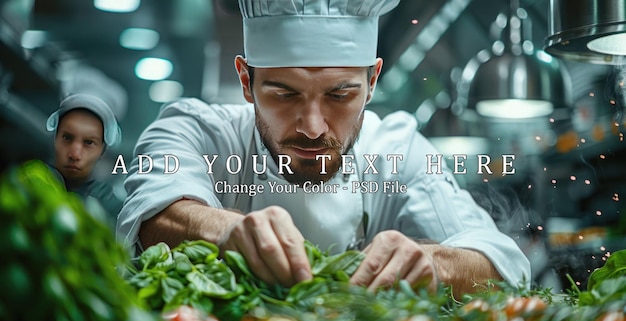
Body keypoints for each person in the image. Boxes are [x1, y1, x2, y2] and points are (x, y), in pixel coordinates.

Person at [117, 0, 531, 295]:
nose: (313, 128)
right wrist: (227, 231)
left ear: (371, 82)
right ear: (246, 81)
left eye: (339, 95)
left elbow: (500, 260)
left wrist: (437, 264)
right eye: (284, 94)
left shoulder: (397, 151)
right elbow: (155, 214)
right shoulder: (197, 131)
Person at [46, 93, 124, 222]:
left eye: (89, 143)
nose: (75, 154)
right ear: (55, 139)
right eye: (67, 138)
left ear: (102, 151)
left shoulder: (112, 210)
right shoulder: (25, 189)